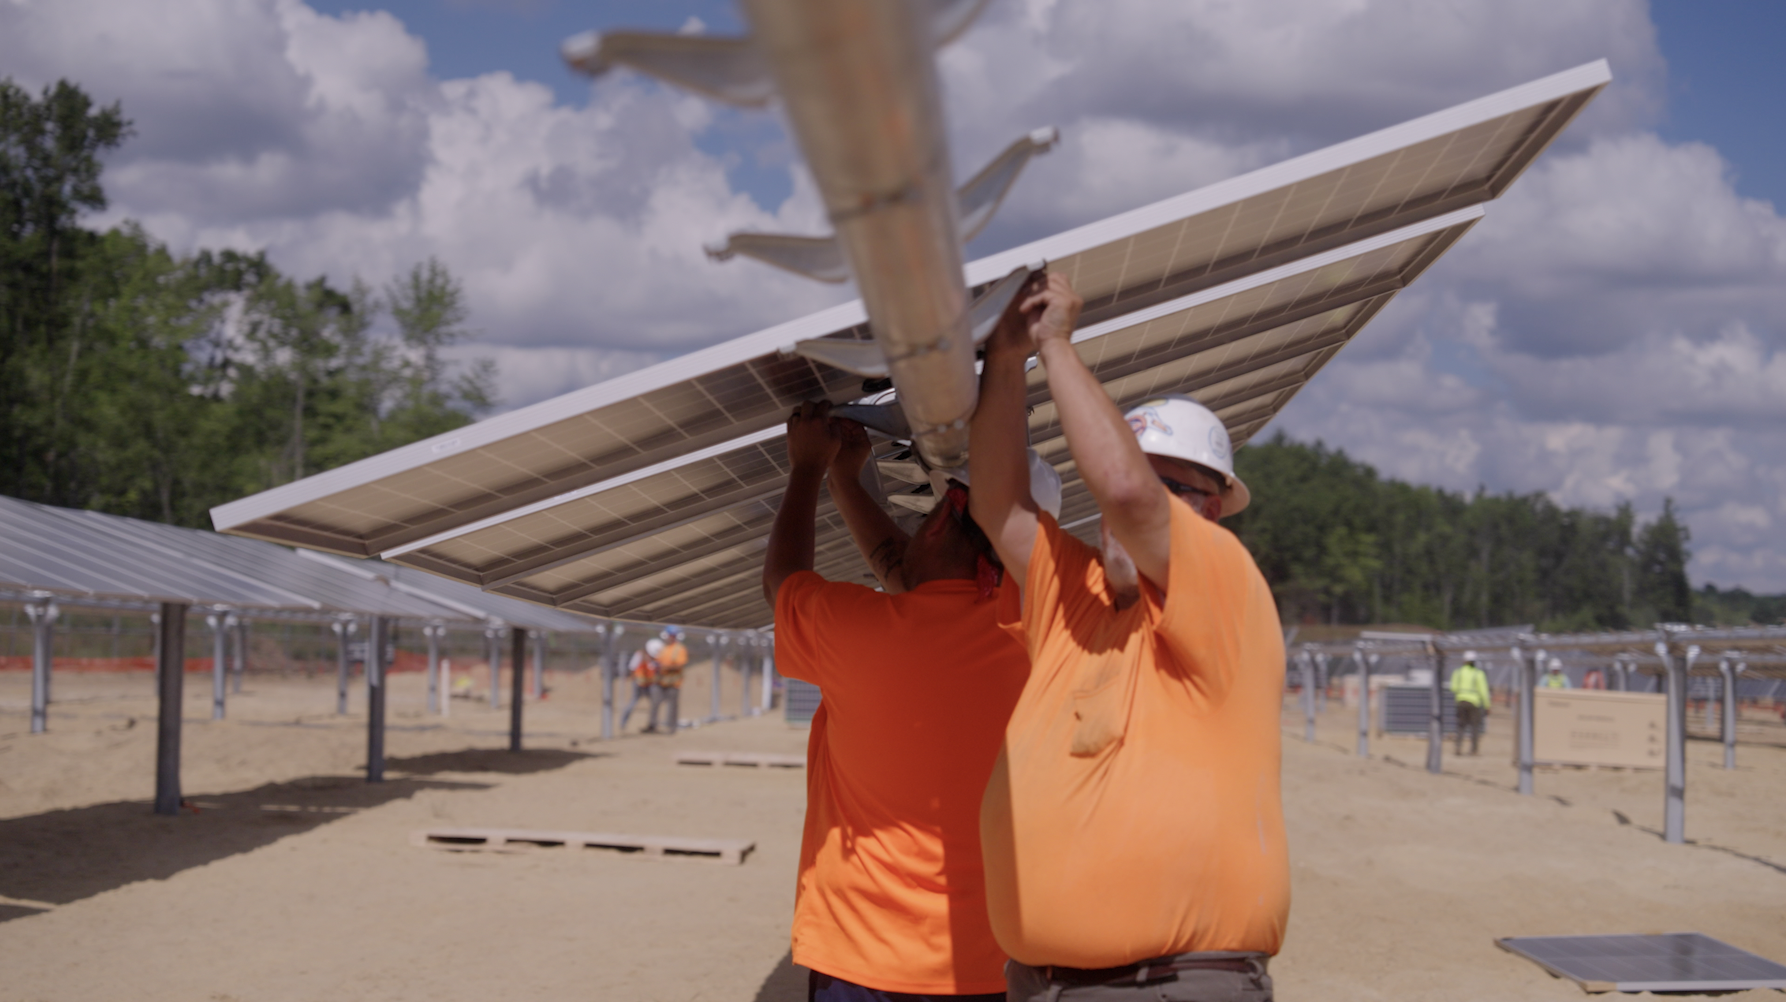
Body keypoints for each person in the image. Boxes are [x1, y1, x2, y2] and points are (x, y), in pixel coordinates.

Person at [969, 272, 1288, 1001]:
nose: (1142, 501)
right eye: (1149, 479)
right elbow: (998, 505)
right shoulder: (1073, 599)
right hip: (1046, 984)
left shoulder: (1225, 589)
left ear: (1209, 514)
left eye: (1173, 488)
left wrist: (1054, 347)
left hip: (1169, 984)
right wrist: (1007, 360)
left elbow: (1124, 490)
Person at [763, 401, 1053, 1001]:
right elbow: (917, 579)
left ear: (946, 515)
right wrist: (843, 479)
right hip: (997, 964)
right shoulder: (1037, 637)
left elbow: (783, 580)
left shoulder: (860, 631)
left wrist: (808, 470)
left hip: (862, 956)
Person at [1449, 650, 1490, 756]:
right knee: (1474, 727)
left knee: (1460, 726)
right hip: (1474, 702)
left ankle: (1458, 747)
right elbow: (1483, 691)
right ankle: (1474, 750)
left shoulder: (1458, 672)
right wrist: (1487, 705)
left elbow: (1453, 688)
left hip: (1461, 701)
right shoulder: (1479, 673)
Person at [619, 639, 661, 732]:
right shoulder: (639, 655)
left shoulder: (656, 659)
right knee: (633, 702)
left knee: (655, 703)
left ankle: (652, 725)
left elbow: (656, 671)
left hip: (649, 684)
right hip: (638, 684)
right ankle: (623, 723)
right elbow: (632, 668)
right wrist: (635, 679)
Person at [653, 628, 689, 734]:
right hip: (661, 681)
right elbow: (658, 661)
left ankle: (671, 728)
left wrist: (666, 667)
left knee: (672, 706)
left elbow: (680, 664)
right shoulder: (664, 648)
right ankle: (652, 725)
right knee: (655, 702)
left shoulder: (680, 649)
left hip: (673, 682)